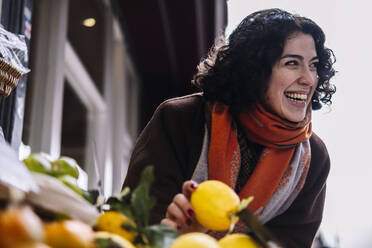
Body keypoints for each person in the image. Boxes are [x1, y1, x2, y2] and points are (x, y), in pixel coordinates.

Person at [123, 8, 336, 247]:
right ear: (254, 70)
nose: (308, 79)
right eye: (292, 63)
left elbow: (290, 242)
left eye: (314, 65)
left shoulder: (314, 158)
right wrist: (174, 231)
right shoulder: (179, 119)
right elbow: (134, 220)